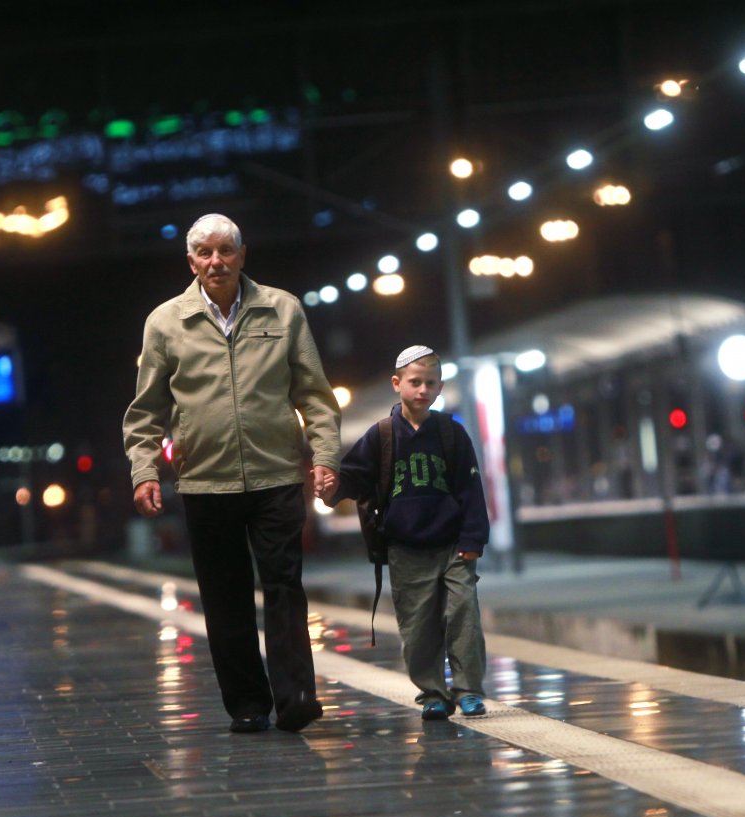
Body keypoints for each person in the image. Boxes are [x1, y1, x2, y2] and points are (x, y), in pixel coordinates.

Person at [123, 213, 341, 734]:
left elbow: (314, 395)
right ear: (191, 261)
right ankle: (247, 703)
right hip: (204, 481)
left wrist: (326, 458)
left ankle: (296, 697)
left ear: (244, 255)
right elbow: (146, 410)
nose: (215, 261)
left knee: (285, 586)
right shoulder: (165, 322)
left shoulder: (282, 310)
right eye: (205, 253)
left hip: (278, 476)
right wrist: (145, 470)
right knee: (224, 597)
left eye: (225, 251)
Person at [320, 346, 490, 720]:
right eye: (414, 382)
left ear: (441, 387)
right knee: (417, 627)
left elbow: (470, 489)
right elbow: (354, 476)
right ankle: (432, 693)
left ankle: (469, 691)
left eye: (430, 383)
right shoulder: (381, 435)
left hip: (452, 547)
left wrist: (473, 540)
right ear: (397, 384)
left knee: (464, 617)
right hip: (405, 549)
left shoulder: (451, 434)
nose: (422, 390)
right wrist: (331, 488)